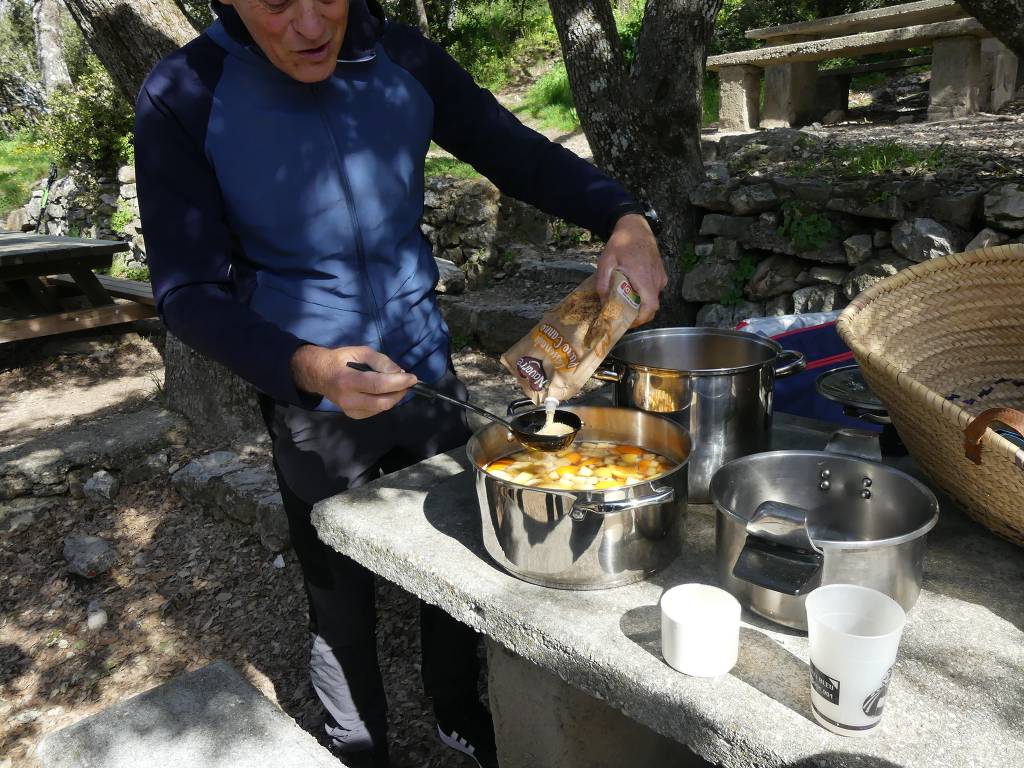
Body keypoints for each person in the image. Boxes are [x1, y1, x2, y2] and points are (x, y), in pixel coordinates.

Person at [134, 1, 667, 766]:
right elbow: (185, 292)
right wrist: (305, 368)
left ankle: (457, 712)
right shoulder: (185, 93)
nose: (312, 26)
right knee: (337, 591)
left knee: (452, 556)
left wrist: (624, 216)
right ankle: (357, 744)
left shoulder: (403, 58)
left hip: (424, 368)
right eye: (277, 3)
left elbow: (514, 151)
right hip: (311, 389)